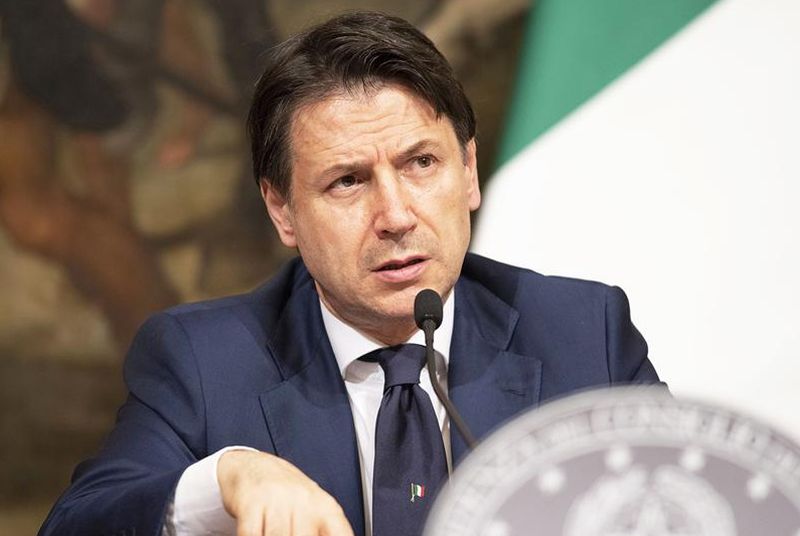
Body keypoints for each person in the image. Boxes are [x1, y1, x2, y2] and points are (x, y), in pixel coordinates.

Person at [39, 11, 662, 536]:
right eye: (347, 181)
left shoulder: (585, 335)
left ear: (469, 172)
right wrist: (227, 478)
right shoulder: (204, 361)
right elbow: (77, 523)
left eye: (421, 163)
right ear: (282, 210)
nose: (396, 216)